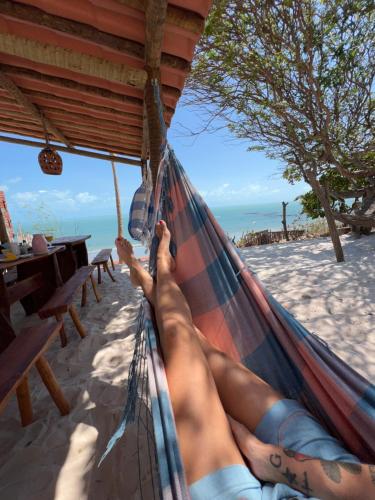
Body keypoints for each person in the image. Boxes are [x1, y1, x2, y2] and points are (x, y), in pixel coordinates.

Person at [116, 221, 374, 500]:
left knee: (181, 338)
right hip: (328, 464)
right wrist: (269, 459)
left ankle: (154, 275)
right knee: (192, 341)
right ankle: (158, 270)